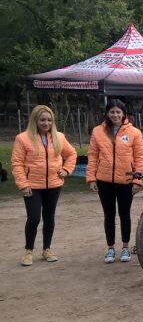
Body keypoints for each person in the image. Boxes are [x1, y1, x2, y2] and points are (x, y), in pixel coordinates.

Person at [12, 105, 77, 266]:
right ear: (35, 120)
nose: (46, 123)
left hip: (54, 185)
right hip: (31, 186)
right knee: (33, 218)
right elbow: (17, 163)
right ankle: (28, 251)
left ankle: (47, 249)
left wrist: (66, 170)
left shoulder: (59, 137)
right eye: (42, 120)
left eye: (49, 120)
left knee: (49, 218)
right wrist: (23, 184)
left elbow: (71, 154)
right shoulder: (23, 138)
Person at [86, 99, 143, 263]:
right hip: (104, 180)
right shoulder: (98, 131)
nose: (115, 115)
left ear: (123, 113)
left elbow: (140, 158)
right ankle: (110, 248)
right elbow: (92, 156)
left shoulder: (134, 132)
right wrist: (91, 178)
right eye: (111, 111)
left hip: (126, 179)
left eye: (118, 112)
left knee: (124, 214)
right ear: (107, 113)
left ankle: (125, 247)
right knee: (109, 214)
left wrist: (138, 181)